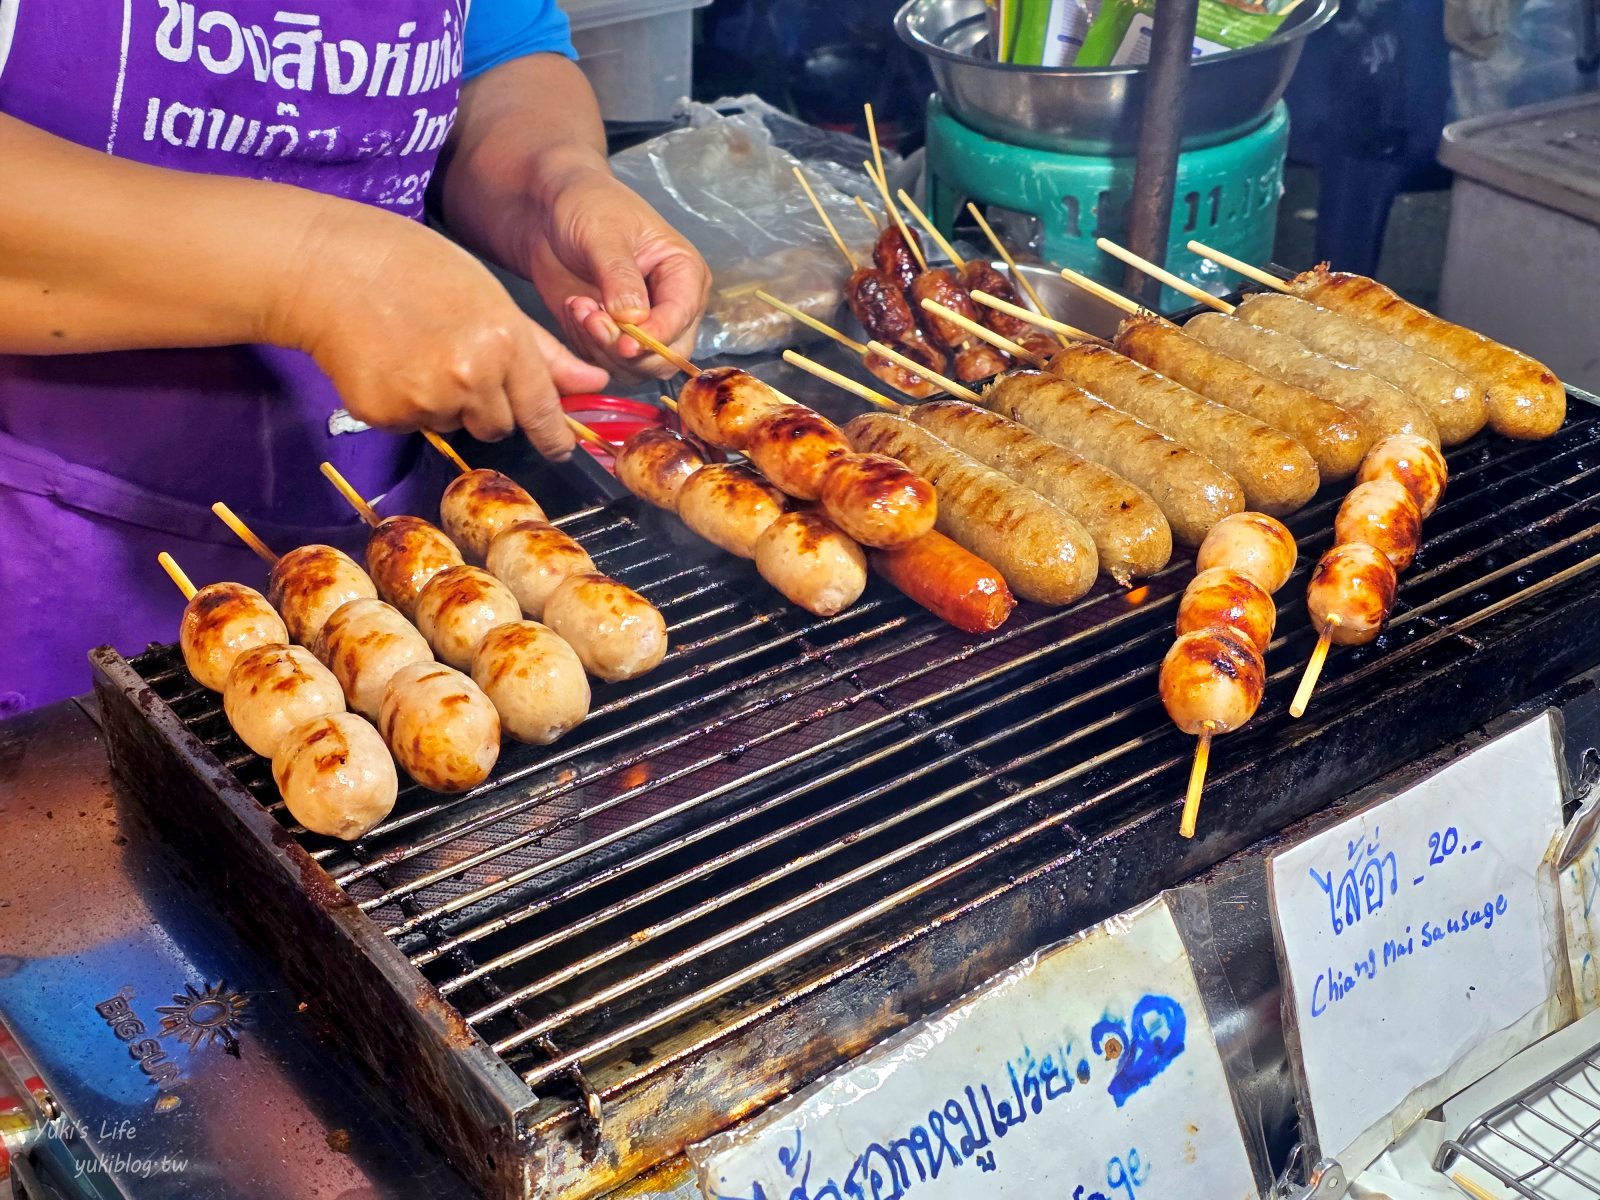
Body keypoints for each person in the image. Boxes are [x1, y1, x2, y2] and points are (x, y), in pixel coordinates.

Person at [0, 1, 710, 714]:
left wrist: (551, 181)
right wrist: (312, 270)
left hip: (386, 525)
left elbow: (496, 52)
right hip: (61, 555)